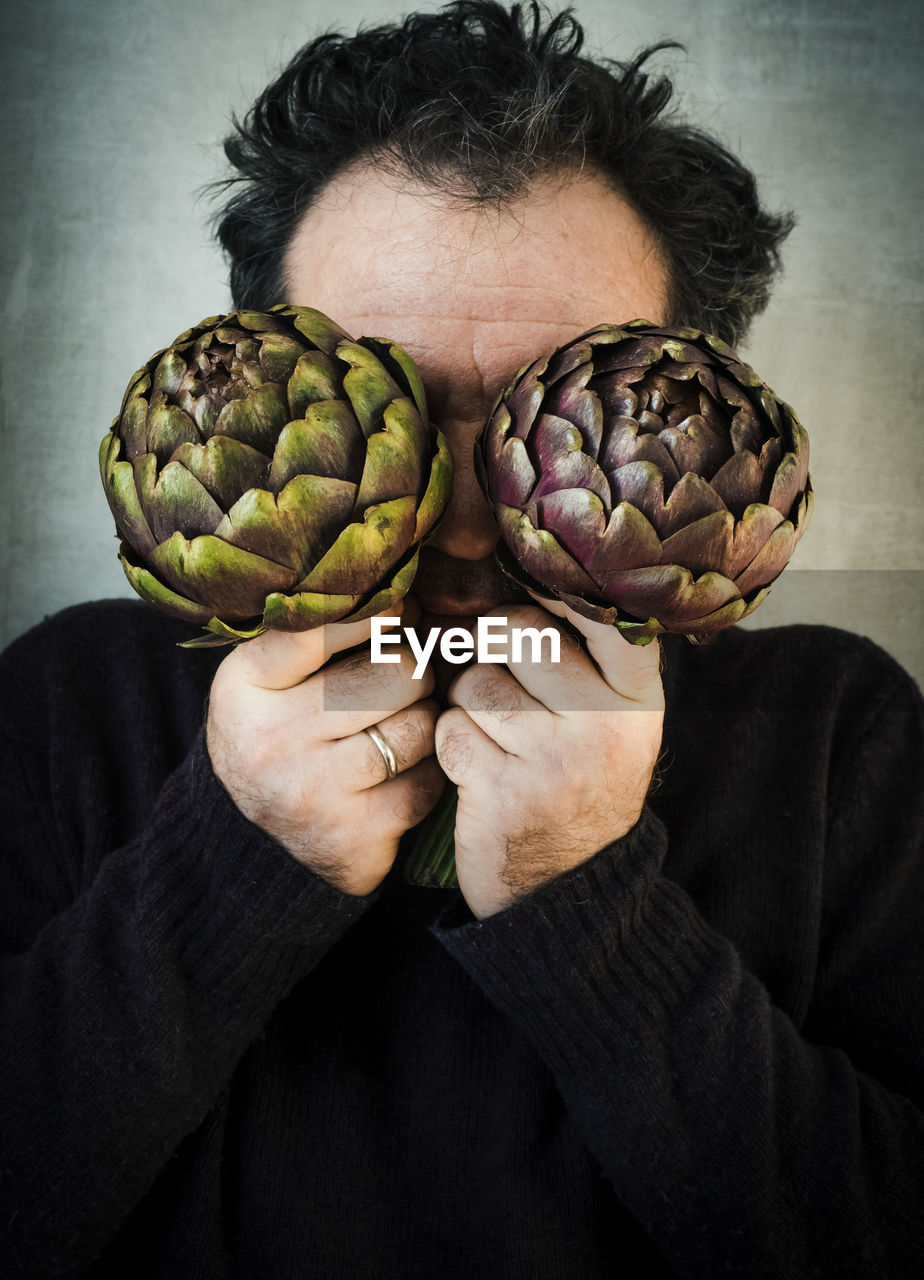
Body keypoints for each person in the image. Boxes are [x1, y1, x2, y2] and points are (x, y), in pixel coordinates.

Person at [1, 2, 922, 1276]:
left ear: (696, 397)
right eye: (391, 400)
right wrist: (233, 857)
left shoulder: (846, 738)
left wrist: (584, 898)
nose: (470, 519)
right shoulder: (64, 707)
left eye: (558, 403)